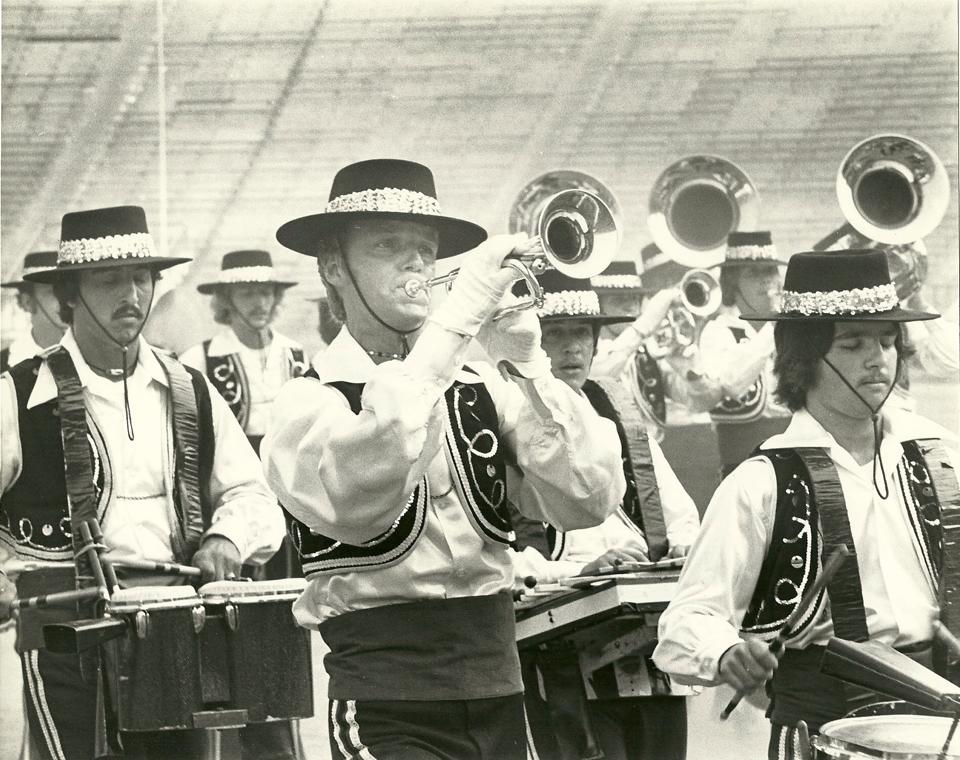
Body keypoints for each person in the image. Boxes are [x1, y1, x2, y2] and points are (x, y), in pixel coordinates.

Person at [262, 158, 625, 760]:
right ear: (333, 267)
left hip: (502, 688)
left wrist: (529, 364)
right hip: (387, 704)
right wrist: (457, 321)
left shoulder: (482, 384)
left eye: (426, 250)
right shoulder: (308, 400)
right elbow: (364, 487)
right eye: (387, 246)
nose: (415, 265)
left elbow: (589, 499)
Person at [0, 206, 286, 760]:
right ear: (68, 296)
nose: (130, 294)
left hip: (180, 634)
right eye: (109, 280)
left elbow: (253, 494)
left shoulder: (193, 390)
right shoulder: (17, 395)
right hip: (63, 633)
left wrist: (226, 538)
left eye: (141, 278)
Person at [653, 249, 959, 760]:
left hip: (942, 718)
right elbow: (687, 619)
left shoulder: (942, 460)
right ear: (803, 360)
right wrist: (726, 650)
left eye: (888, 341)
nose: (878, 358)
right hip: (824, 728)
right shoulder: (760, 484)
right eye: (852, 343)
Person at [509, 269, 699, 760]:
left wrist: (673, 550)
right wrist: (582, 572)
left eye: (581, 334)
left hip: (650, 658)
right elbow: (506, 564)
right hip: (561, 659)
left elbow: (683, 520)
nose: (572, 349)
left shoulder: (622, 416)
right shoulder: (503, 425)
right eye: (555, 335)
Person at [181, 249, 306, 456]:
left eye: (266, 293)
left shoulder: (295, 353)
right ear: (226, 301)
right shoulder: (199, 358)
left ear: (276, 297)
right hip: (231, 469)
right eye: (247, 293)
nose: (260, 303)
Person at [590, 259, 722, 442]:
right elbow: (596, 381)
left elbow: (705, 403)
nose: (630, 307)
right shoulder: (590, 351)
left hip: (650, 457)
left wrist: (691, 371)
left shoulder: (647, 352)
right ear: (599, 306)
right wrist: (643, 326)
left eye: (634, 299)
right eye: (619, 299)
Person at [698, 231, 791, 477]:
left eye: (770, 271)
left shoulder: (790, 329)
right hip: (743, 465)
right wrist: (772, 326)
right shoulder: (718, 331)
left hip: (796, 456)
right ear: (732, 283)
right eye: (753, 273)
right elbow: (730, 383)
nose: (766, 281)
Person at [0, 251, 66, 372]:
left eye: (70, 290)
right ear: (27, 302)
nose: (68, 300)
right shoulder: (4, 364)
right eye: (54, 291)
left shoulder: (97, 358)